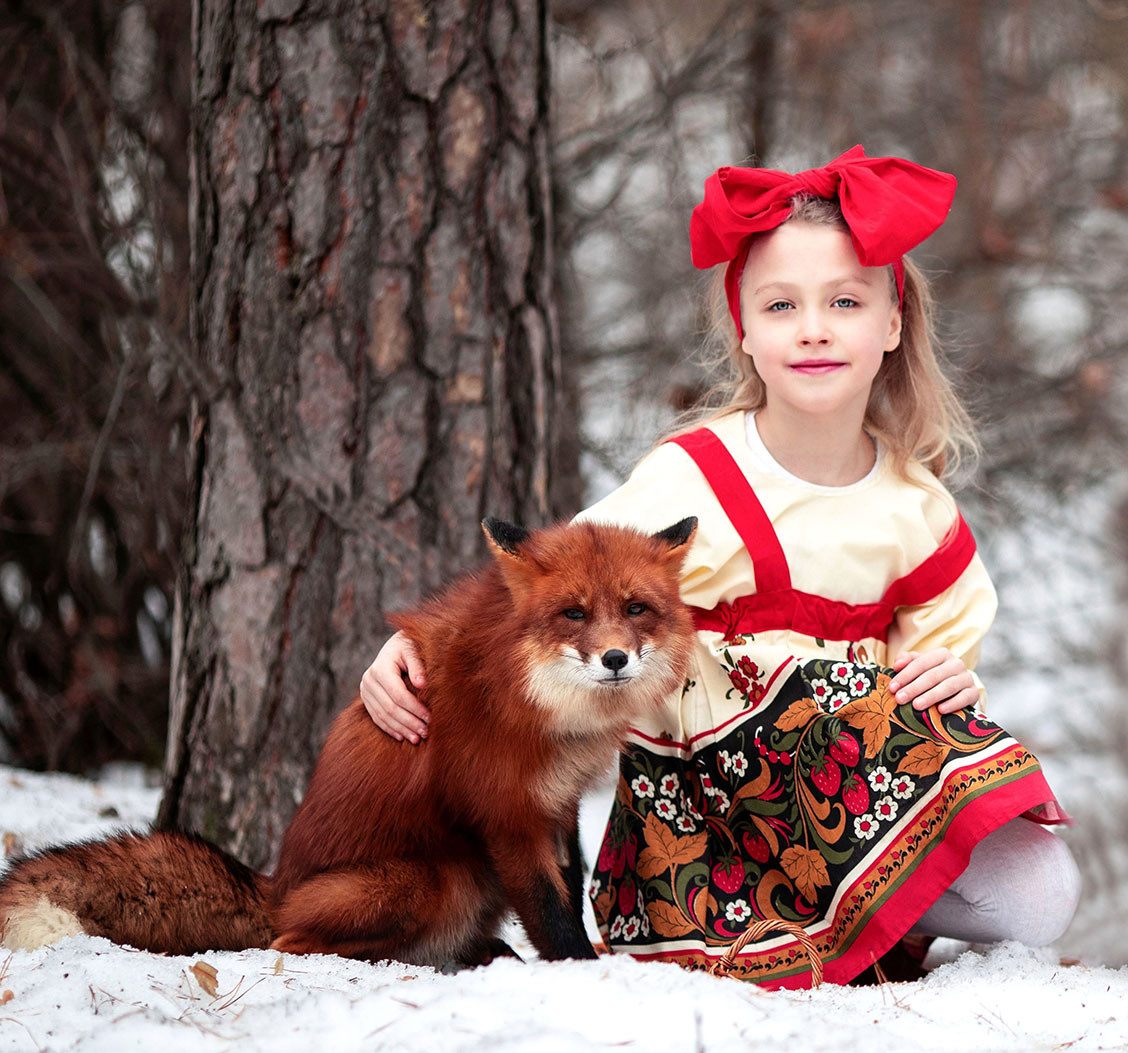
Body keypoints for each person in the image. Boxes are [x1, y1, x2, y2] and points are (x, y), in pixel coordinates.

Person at [358, 146, 1080, 988]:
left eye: (845, 301)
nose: (813, 328)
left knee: (1043, 892)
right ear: (744, 328)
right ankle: (799, 924)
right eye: (781, 305)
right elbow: (544, 586)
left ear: (892, 323)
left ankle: (864, 912)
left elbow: (942, 666)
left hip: (854, 801)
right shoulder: (693, 476)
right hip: (708, 827)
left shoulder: (920, 510)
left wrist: (952, 674)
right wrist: (413, 648)